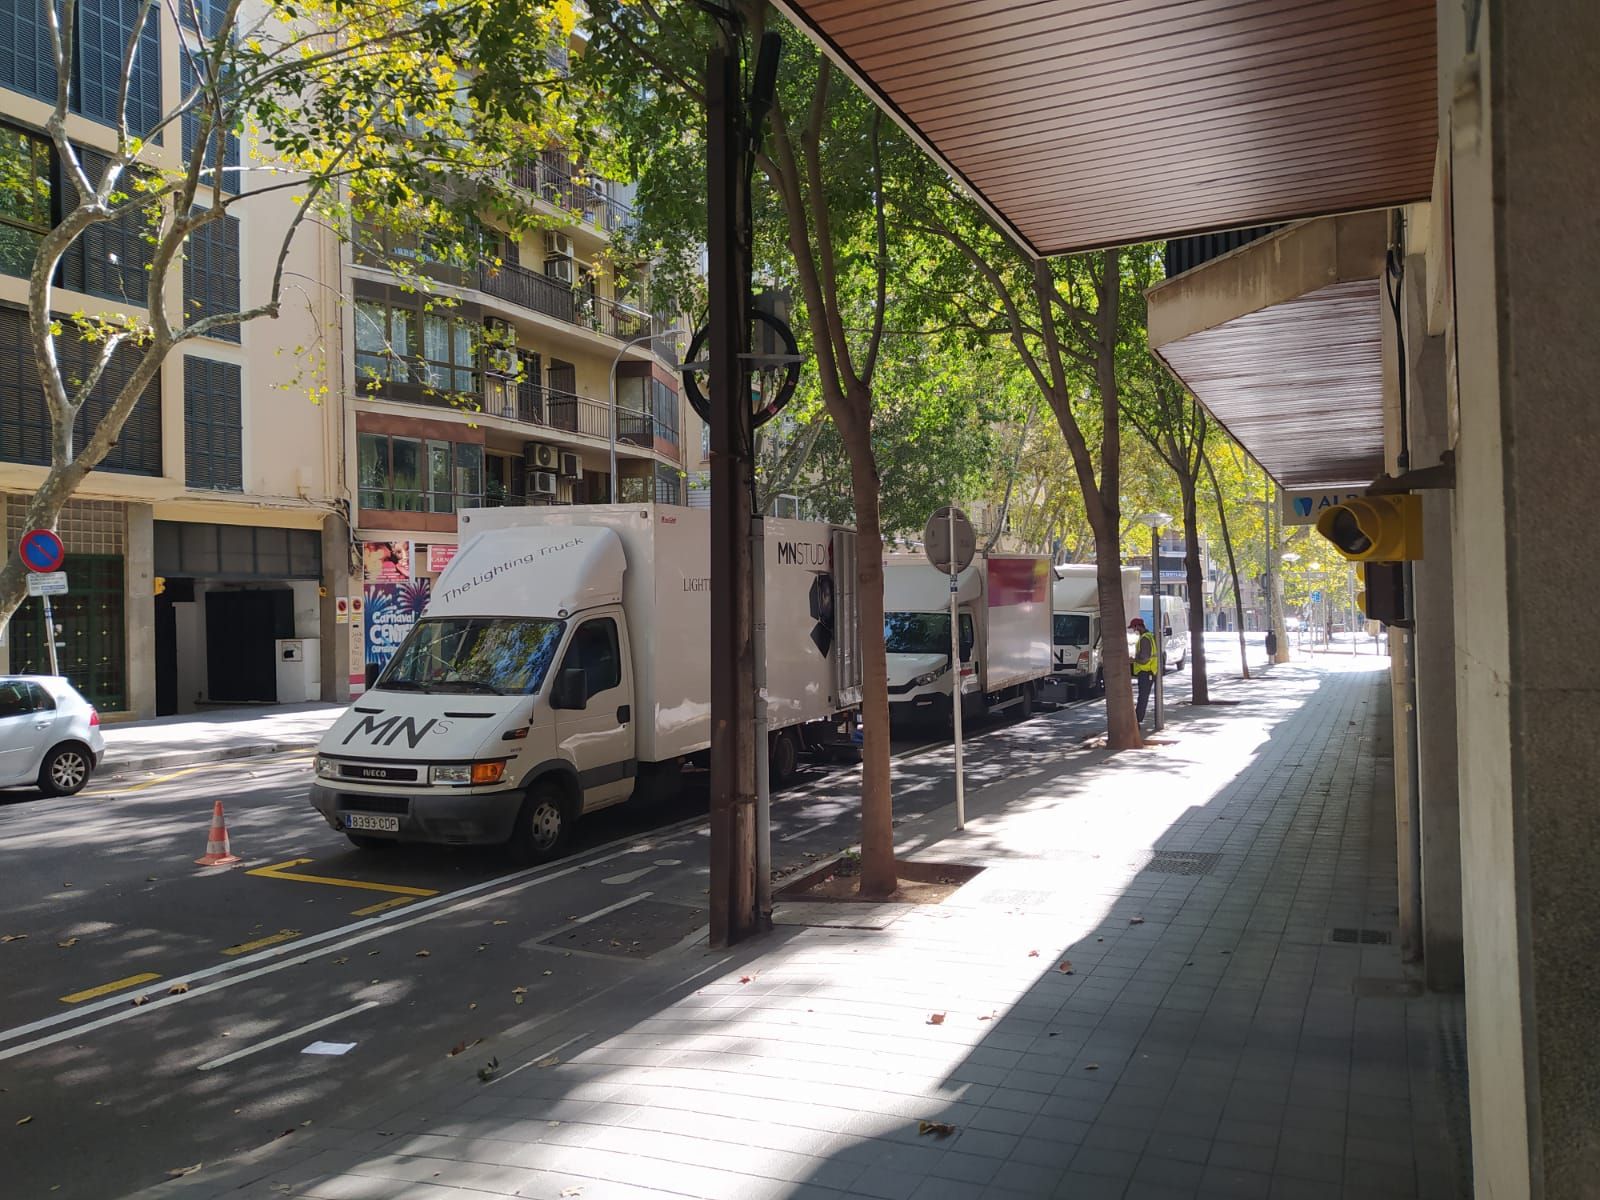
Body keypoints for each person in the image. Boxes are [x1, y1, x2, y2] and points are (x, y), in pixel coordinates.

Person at [1130, 617, 1158, 724]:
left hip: (1146, 672)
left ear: (1138, 627)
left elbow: (1145, 658)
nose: (1134, 631)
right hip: (1149, 671)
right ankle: (1138, 719)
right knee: (1143, 697)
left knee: (1142, 697)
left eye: (1134, 628)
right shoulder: (1149, 636)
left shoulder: (1145, 639)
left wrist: (1134, 660)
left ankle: (1137, 720)